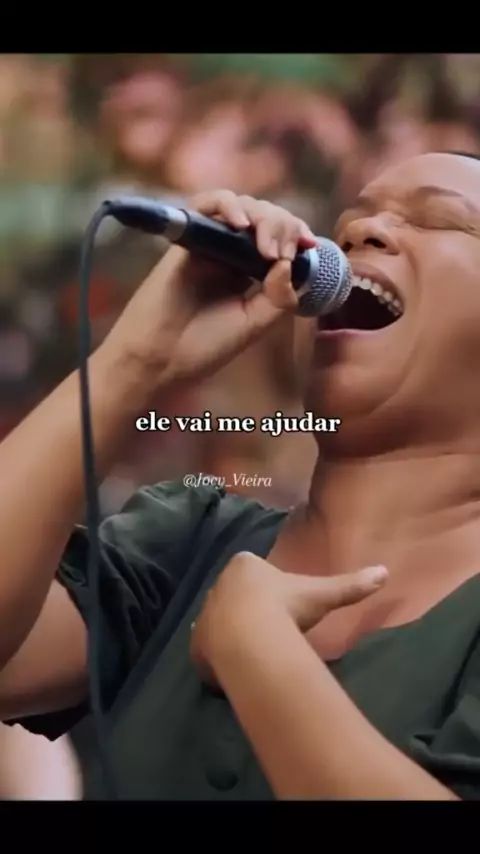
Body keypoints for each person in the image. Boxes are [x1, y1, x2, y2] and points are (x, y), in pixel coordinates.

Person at [1, 152, 480, 800]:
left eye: (439, 219)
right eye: (347, 226)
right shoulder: (188, 540)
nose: (360, 233)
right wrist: (136, 363)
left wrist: (259, 652)